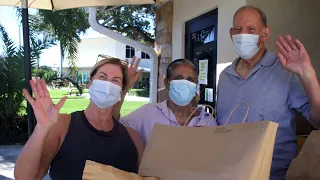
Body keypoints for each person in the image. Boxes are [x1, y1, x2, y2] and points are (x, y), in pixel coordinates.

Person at [216, 5, 320, 180]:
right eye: (238, 29)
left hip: (274, 175)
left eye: (251, 29)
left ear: (264, 34)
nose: (243, 35)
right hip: (226, 173)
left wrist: (307, 74)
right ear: (231, 34)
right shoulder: (225, 76)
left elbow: (318, 121)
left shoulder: (286, 72)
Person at [14, 58, 144, 180]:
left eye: (115, 80)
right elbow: (25, 177)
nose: (107, 85)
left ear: (121, 90)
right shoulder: (63, 125)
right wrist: (42, 128)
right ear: (90, 83)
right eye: (103, 77)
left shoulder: (133, 138)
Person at [120, 59, 217, 147]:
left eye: (190, 80)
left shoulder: (207, 121)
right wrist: (124, 88)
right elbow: (113, 127)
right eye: (179, 78)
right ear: (167, 83)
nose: (185, 83)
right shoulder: (147, 113)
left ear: (195, 85)